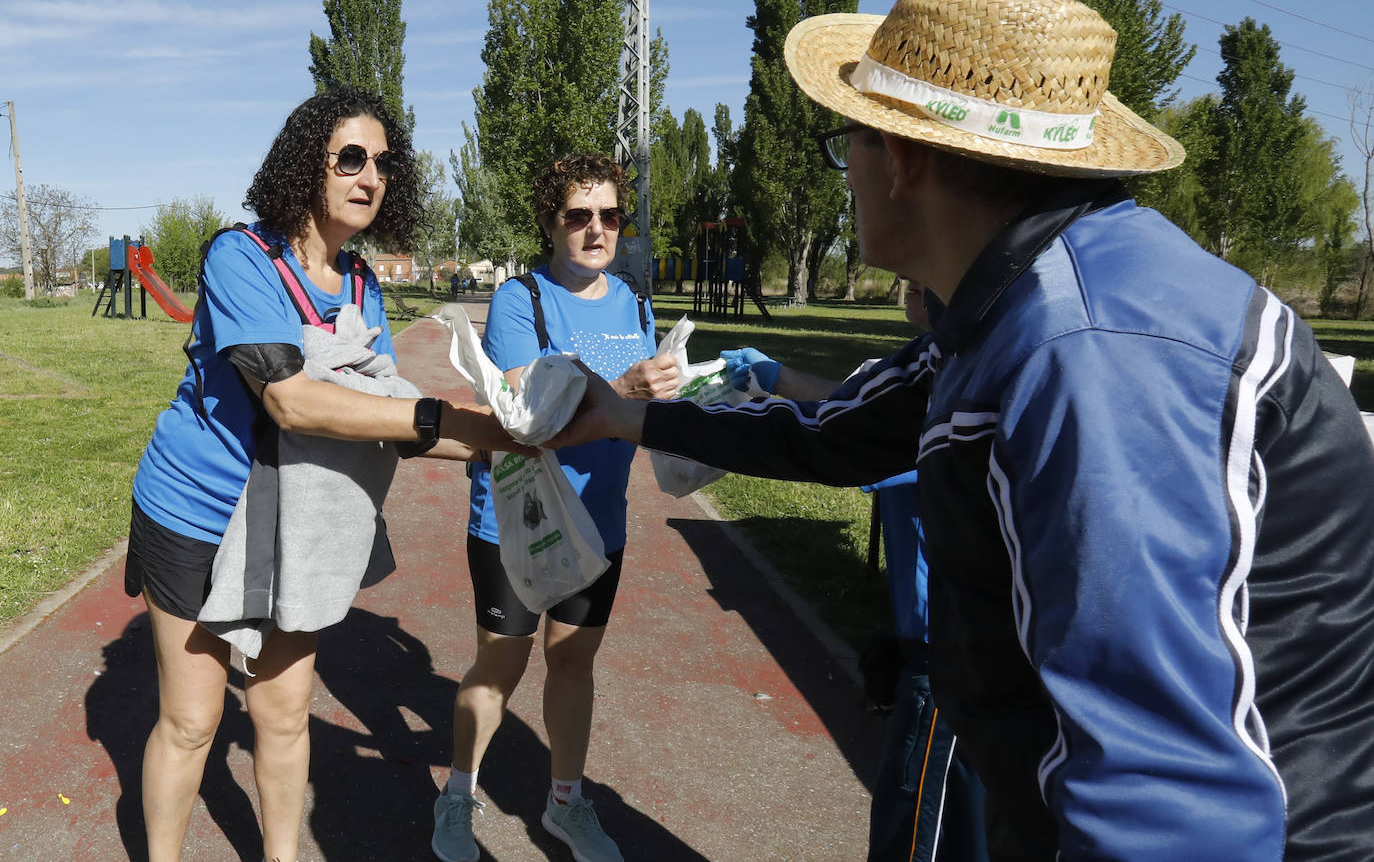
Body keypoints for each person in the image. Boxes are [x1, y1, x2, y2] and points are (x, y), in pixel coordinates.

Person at [548, 0, 1374, 860]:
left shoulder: (1091, 350)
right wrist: (620, 417)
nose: (846, 177)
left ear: (901, 157)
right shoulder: (1012, 304)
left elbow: (1162, 795)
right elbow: (839, 433)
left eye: (846, 143)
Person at [127, 88, 527, 862]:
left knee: (283, 714)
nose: (369, 174)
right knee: (193, 720)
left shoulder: (363, 286)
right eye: (351, 157)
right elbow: (293, 399)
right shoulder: (240, 257)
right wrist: (446, 423)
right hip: (195, 513)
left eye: (384, 163)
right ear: (307, 165)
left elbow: (385, 411)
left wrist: (499, 439)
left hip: (291, 526)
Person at [432, 152, 678, 862]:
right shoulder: (520, 298)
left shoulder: (634, 299)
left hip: (601, 518)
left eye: (609, 215)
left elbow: (640, 404)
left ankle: (565, 804)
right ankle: (457, 793)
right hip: (522, 520)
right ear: (551, 221)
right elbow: (523, 420)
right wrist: (623, 389)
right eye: (578, 215)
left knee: (574, 663)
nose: (596, 229)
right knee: (499, 666)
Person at [721, 284, 987, 862]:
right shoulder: (935, 361)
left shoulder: (962, 387)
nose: (908, 275)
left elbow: (845, 440)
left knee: (912, 833)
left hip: (944, 665)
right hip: (937, 652)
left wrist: (660, 420)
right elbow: (853, 403)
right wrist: (779, 377)